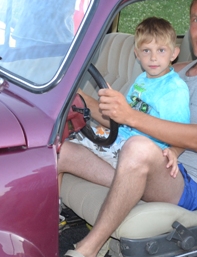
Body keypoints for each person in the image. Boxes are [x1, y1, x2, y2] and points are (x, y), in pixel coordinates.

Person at [58, 0, 197, 257]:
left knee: (138, 148)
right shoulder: (173, 69)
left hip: (182, 183)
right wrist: (87, 102)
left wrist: (129, 116)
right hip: (133, 160)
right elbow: (126, 121)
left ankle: (85, 255)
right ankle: (40, 227)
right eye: (196, 20)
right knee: (60, 148)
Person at [66, 16, 190, 178]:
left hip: (141, 153)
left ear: (174, 54)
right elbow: (128, 115)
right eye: (146, 51)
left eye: (161, 50)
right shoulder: (142, 79)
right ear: (137, 54)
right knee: (61, 140)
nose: (153, 58)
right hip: (120, 141)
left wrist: (174, 151)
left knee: (63, 145)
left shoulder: (174, 89)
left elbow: (182, 134)